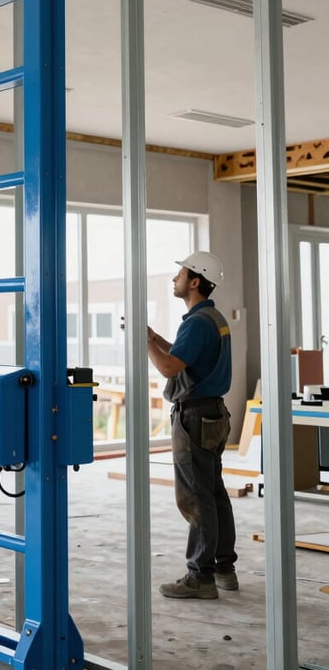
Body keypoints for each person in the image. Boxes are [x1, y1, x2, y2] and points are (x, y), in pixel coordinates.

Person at [146, 251, 238, 600]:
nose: (175, 279)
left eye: (181, 274)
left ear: (195, 281)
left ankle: (201, 576)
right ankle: (224, 568)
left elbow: (170, 368)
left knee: (196, 498)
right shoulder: (212, 318)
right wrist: (155, 338)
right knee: (214, 492)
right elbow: (184, 356)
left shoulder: (197, 322)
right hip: (213, 413)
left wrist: (143, 343)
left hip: (195, 417)